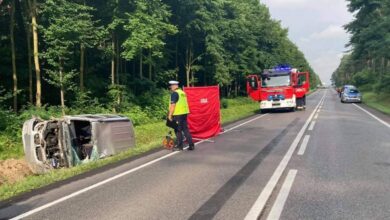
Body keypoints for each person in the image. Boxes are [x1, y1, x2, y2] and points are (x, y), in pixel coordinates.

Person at [168, 80, 195, 151]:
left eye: (171, 86)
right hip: (184, 113)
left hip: (177, 114)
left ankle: (180, 147)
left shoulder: (174, 93)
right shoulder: (183, 93)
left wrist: (170, 115)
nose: (170, 88)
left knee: (177, 130)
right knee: (185, 129)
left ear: (174, 86)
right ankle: (191, 145)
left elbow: (173, 105)